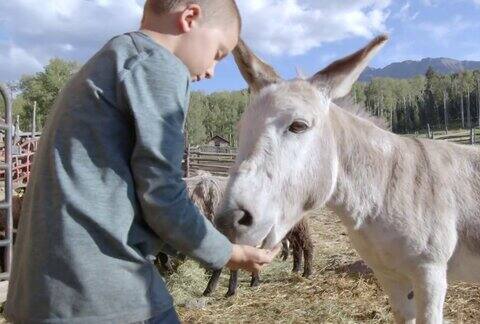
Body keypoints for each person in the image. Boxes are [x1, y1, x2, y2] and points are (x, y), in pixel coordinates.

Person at [5, 1, 278, 323]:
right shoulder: (157, 65)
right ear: (190, 17)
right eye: (218, 53)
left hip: (45, 289)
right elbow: (161, 195)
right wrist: (228, 253)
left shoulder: (110, 63)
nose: (210, 71)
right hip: (101, 287)